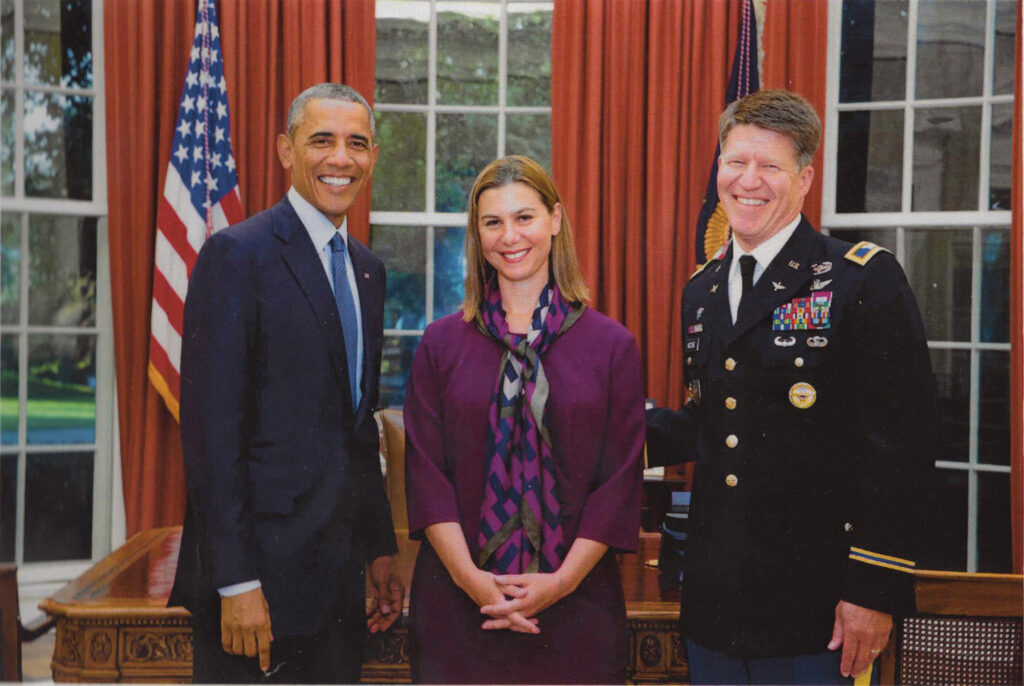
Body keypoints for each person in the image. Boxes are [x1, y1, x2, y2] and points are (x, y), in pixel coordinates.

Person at [646, 89, 937, 685]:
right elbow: (712, 422)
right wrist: (586, 424)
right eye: (735, 162)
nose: (747, 181)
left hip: (818, 609)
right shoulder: (700, 291)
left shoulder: (861, 280)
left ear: (805, 178)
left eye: (770, 166)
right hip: (715, 602)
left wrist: (874, 590)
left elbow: (901, 450)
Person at [168, 83, 404, 684]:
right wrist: (236, 581)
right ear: (284, 150)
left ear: (373, 156)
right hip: (256, 594)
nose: (340, 158)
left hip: (339, 593)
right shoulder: (236, 256)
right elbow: (211, 438)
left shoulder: (368, 272)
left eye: (356, 143)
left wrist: (379, 547)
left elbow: (357, 430)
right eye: (321, 140)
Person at [403, 155, 646, 684]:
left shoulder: (612, 346)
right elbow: (426, 474)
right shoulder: (441, 344)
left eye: (524, 217)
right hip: (460, 608)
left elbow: (618, 482)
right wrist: (474, 582)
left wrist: (558, 583)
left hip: (575, 609)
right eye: (493, 222)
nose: (509, 236)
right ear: (478, 234)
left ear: (555, 220)